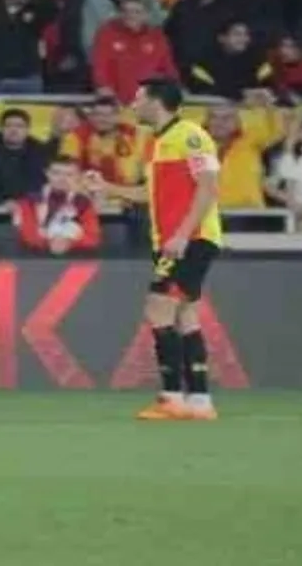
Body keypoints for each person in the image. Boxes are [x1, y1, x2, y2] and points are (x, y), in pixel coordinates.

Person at [84, 79, 221, 422]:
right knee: (185, 314)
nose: (132, 104)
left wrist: (183, 235)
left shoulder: (192, 135)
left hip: (190, 238)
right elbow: (150, 194)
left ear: (156, 102)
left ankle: (171, 397)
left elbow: (208, 188)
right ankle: (200, 401)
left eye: (138, 98)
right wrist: (108, 187)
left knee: (158, 307)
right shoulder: (157, 142)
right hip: (172, 240)